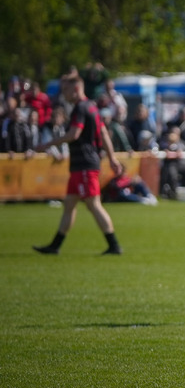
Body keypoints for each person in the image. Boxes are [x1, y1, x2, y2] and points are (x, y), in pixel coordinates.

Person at [32, 72, 123, 255]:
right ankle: (55, 246)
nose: (63, 95)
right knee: (69, 204)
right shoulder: (92, 107)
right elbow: (103, 133)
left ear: (76, 89)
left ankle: (114, 245)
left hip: (85, 165)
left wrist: (47, 145)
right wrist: (112, 158)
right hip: (81, 165)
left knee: (93, 204)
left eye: (65, 90)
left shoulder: (80, 108)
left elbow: (74, 134)